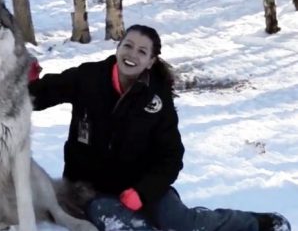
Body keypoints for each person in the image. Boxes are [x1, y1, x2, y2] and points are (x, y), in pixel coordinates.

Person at [28, 25, 291, 231]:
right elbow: (38, 97)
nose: (132, 54)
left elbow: (171, 156)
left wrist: (143, 192)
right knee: (125, 227)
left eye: (142, 51)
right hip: (92, 191)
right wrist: (21, 81)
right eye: (128, 46)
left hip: (143, 187)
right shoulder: (88, 77)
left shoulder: (157, 98)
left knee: (184, 223)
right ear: (118, 48)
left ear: (151, 61)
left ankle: (259, 223)